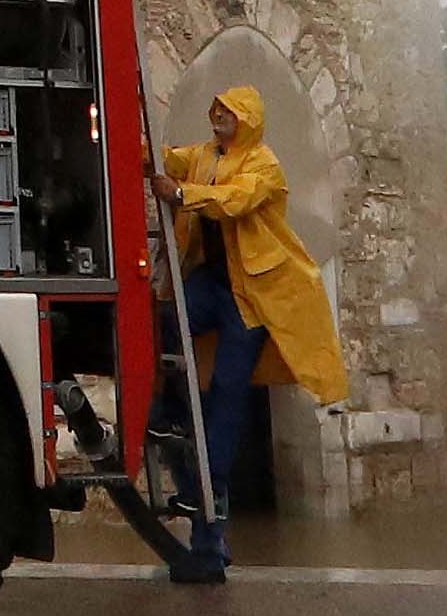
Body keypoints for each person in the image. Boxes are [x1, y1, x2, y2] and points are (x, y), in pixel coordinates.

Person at [151, 88, 353, 572]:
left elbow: (234, 201)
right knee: (161, 321)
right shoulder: (203, 156)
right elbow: (166, 159)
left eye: (230, 112)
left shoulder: (265, 166)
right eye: (216, 108)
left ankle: (208, 491)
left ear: (248, 121)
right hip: (212, 283)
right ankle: (172, 412)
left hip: (253, 299)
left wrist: (180, 195)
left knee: (228, 392)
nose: (219, 116)